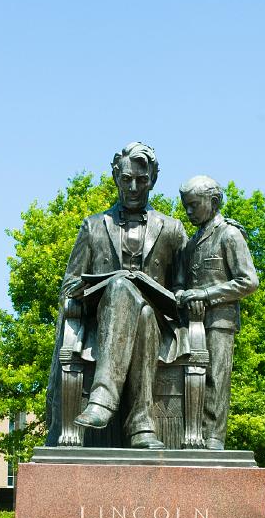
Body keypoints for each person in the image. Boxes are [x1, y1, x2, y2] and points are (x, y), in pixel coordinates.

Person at [46, 143, 187, 449]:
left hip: (157, 325)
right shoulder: (94, 226)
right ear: (115, 177)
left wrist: (181, 298)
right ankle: (140, 425)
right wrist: (101, 285)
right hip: (102, 324)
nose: (134, 187)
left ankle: (104, 397)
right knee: (122, 287)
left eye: (142, 180)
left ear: (153, 179)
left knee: (146, 312)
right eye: (126, 179)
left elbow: (181, 289)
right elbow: (69, 284)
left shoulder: (173, 230)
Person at [178, 175, 259, 450]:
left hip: (220, 322)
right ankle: (192, 434)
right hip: (191, 322)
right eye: (185, 206)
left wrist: (206, 295)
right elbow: (182, 283)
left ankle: (213, 438)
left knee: (215, 379)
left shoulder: (230, 234)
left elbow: (248, 281)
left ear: (213, 202)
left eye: (193, 205)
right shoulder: (191, 243)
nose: (188, 212)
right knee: (192, 378)